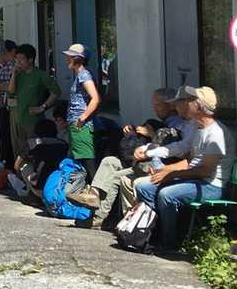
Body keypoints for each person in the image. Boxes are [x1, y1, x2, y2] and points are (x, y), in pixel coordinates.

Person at [134, 86, 227, 251]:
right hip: (194, 179)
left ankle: (169, 243)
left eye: (188, 101)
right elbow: (182, 147)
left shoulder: (216, 134)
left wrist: (171, 174)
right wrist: (149, 152)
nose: (178, 106)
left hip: (210, 185)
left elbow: (205, 171)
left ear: (198, 106)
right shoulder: (199, 128)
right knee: (143, 187)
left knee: (166, 194)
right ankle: (154, 233)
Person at [72, 88, 185, 221]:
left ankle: (100, 218)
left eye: (157, 104)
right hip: (140, 159)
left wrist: (152, 135)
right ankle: (93, 195)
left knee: (116, 176)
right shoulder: (162, 122)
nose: (154, 108)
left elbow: (174, 149)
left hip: (156, 165)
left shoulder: (180, 124)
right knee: (109, 161)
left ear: (170, 105)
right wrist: (134, 131)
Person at [7, 44, 60, 161]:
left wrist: (43, 107)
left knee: (32, 151)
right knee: (19, 151)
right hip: (17, 118)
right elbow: (11, 91)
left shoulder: (40, 75)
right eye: (17, 59)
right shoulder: (19, 75)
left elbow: (56, 92)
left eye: (21, 58)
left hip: (33, 121)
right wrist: (14, 74)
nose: (18, 62)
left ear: (30, 59)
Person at [62, 43, 100, 179]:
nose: (67, 59)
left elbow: (95, 98)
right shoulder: (79, 75)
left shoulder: (84, 75)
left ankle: (95, 187)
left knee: (87, 159)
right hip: (76, 124)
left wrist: (82, 118)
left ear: (78, 59)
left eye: (70, 57)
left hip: (81, 125)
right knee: (79, 159)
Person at [0, 40, 18, 163]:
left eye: (3, 53)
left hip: (14, 105)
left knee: (11, 136)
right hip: (4, 104)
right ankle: (7, 162)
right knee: (4, 134)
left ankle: (11, 163)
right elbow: (0, 85)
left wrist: (0, 86)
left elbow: (10, 87)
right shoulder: (4, 66)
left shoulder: (16, 66)